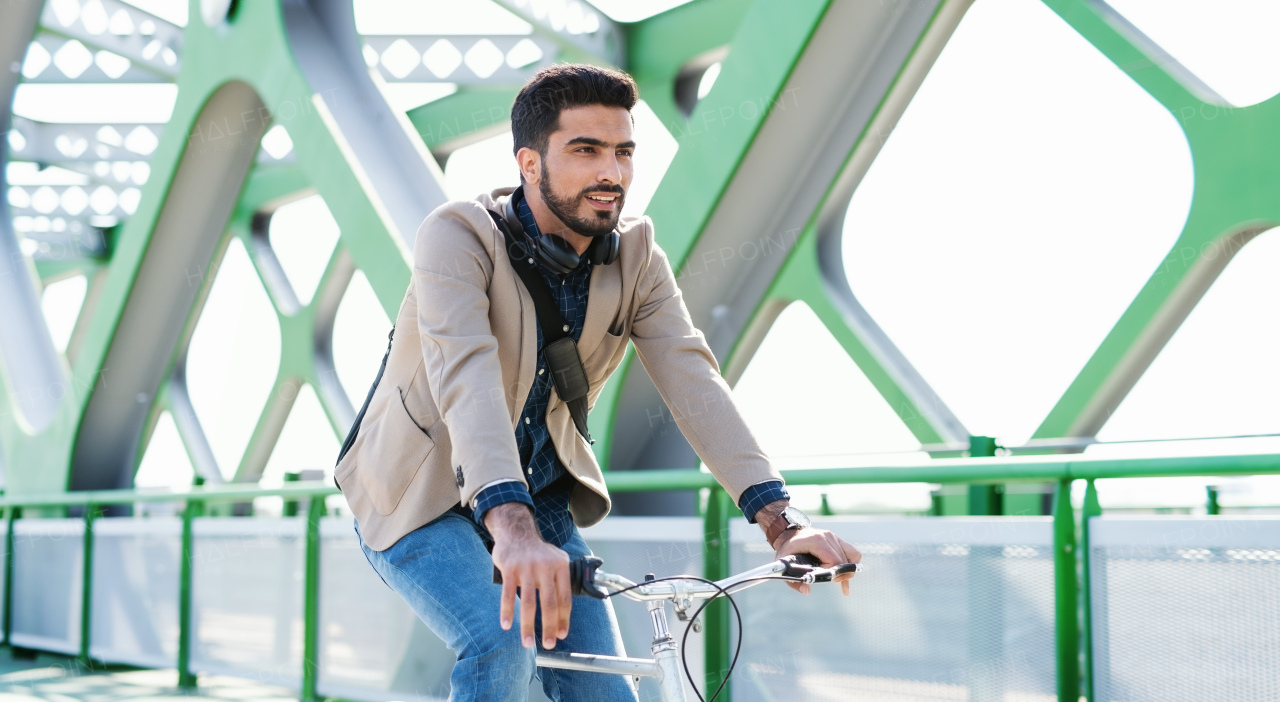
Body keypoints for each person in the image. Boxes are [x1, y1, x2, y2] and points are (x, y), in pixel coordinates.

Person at [336, 63, 861, 702]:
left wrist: (781, 522)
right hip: (420, 496)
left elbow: (691, 378)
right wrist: (511, 529)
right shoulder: (457, 237)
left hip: (540, 504)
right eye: (585, 151)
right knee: (498, 642)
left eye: (623, 152)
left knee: (607, 692)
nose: (611, 173)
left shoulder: (637, 256)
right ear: (529, 163)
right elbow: (466, 377)